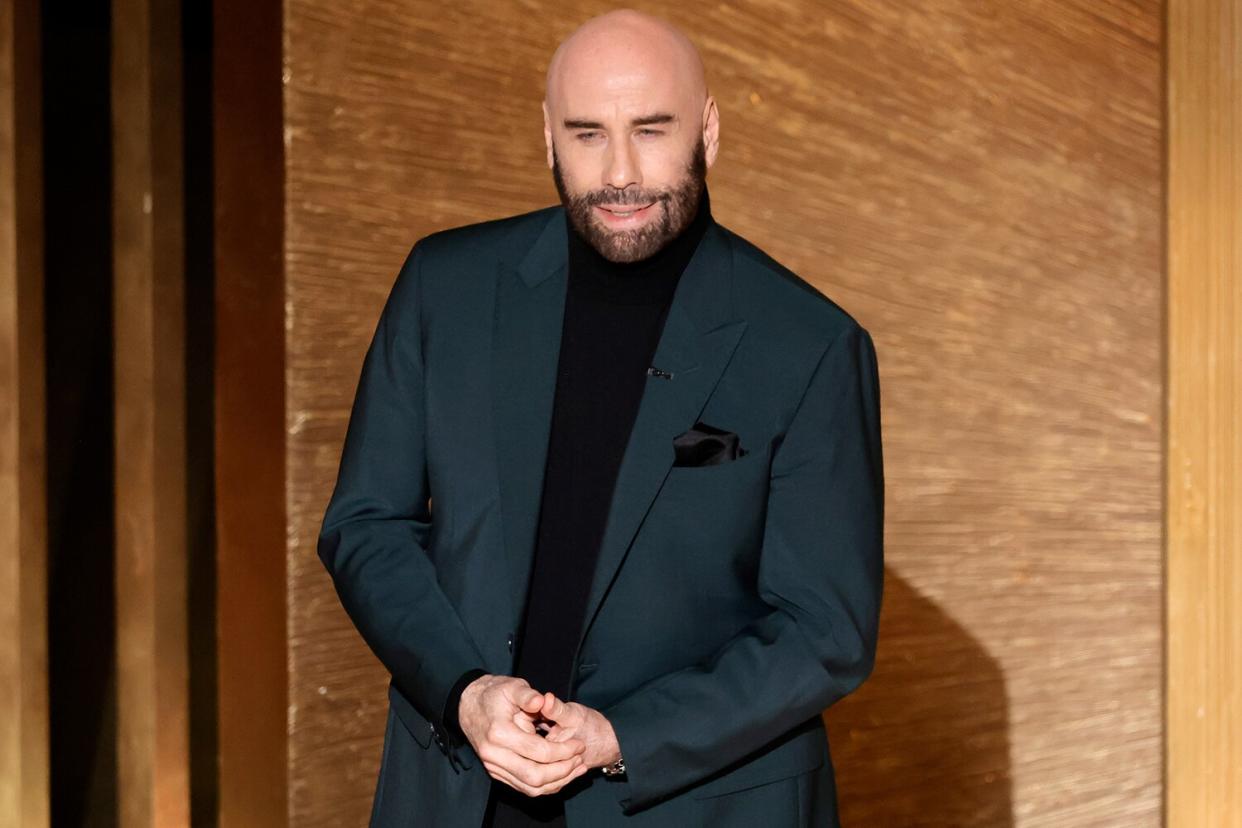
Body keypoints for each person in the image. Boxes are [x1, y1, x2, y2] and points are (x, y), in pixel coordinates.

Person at [317, 8, 884, 827]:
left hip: (692, 803)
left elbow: (826, 629)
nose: (621, 171)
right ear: (548, 137)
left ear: (708, 132)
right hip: (458, 790)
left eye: (652, 130)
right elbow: (366, 524)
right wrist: (463, 691)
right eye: (588, 135)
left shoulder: (812, 344)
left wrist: (623, 737)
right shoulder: (445, 287)